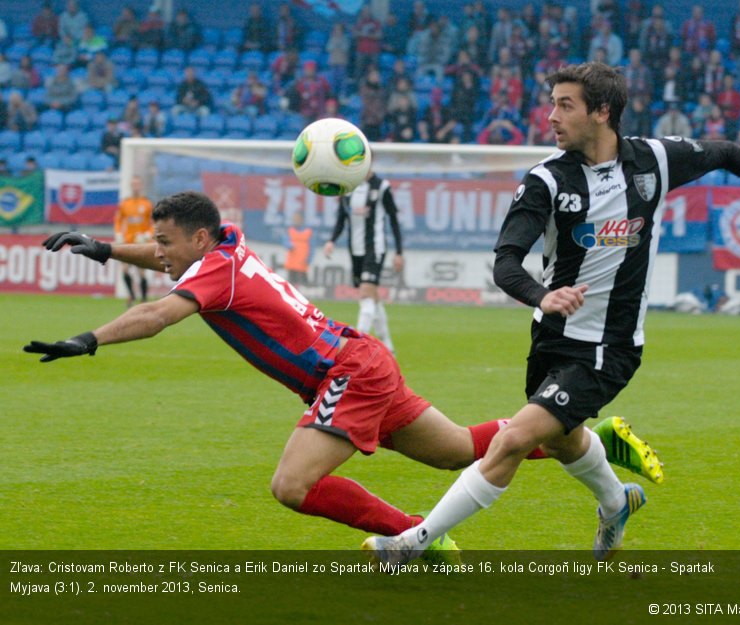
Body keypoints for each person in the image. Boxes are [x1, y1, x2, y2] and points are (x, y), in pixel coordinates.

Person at [363, 61, 740, 564]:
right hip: (551, 338)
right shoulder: (545, 180)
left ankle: (415, 542)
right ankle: (616, 503)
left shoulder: (654, 160)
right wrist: (542, 296)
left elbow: (730, 153)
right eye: (552, 104)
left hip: (609, 348)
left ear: (603, 112)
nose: (551, 116)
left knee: (516, 439)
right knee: (566, 441)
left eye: (565, 105)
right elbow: (505, 263)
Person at [24, 190, 658, 556]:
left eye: (164, 242)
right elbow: (165, 264)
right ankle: (593, 441)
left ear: (196, 238)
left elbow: (157, 314)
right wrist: (103, 248)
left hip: (346, 372)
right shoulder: (223, 246)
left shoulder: (212, 271)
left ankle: (416, 540)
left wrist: (90, 338)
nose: (156, 252)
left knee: (292, 486)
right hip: (360, 360)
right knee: (460, 451)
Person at [323, 167, 403, 354]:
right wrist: (331, 240)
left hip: (375, 247)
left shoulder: (381, 187)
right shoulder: (347, 188)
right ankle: (388, 345)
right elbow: (341, 219)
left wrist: (399, 251)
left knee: (365, 295)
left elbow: (393, 220)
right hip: (355, 249)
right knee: (372, 297)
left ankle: (357, 346)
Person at [114, 175, 154, 306]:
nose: (135, 186)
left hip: (142, 243)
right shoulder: (125, 204)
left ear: (141, 186)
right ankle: (131, 295)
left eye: (137, 184)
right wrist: (119, 233)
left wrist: (148, 234)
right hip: (128, 242)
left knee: (141, 272)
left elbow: (154, 223)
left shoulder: (147, 204)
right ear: (131, 186)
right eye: (133, 184)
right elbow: (118, 220)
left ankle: (143, 299)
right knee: (125, 269)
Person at [283, 211, 312, 286]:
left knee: (303, 282)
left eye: (298, 219)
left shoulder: (308, 231)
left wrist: (309, 258)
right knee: (291, 282)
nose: (296, 220)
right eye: (295, 219)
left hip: (303, 262)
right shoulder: (290, 230)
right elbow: (285, 241)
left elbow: (312, 247)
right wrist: (290, 245)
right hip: (292, 262)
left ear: (302, 219)